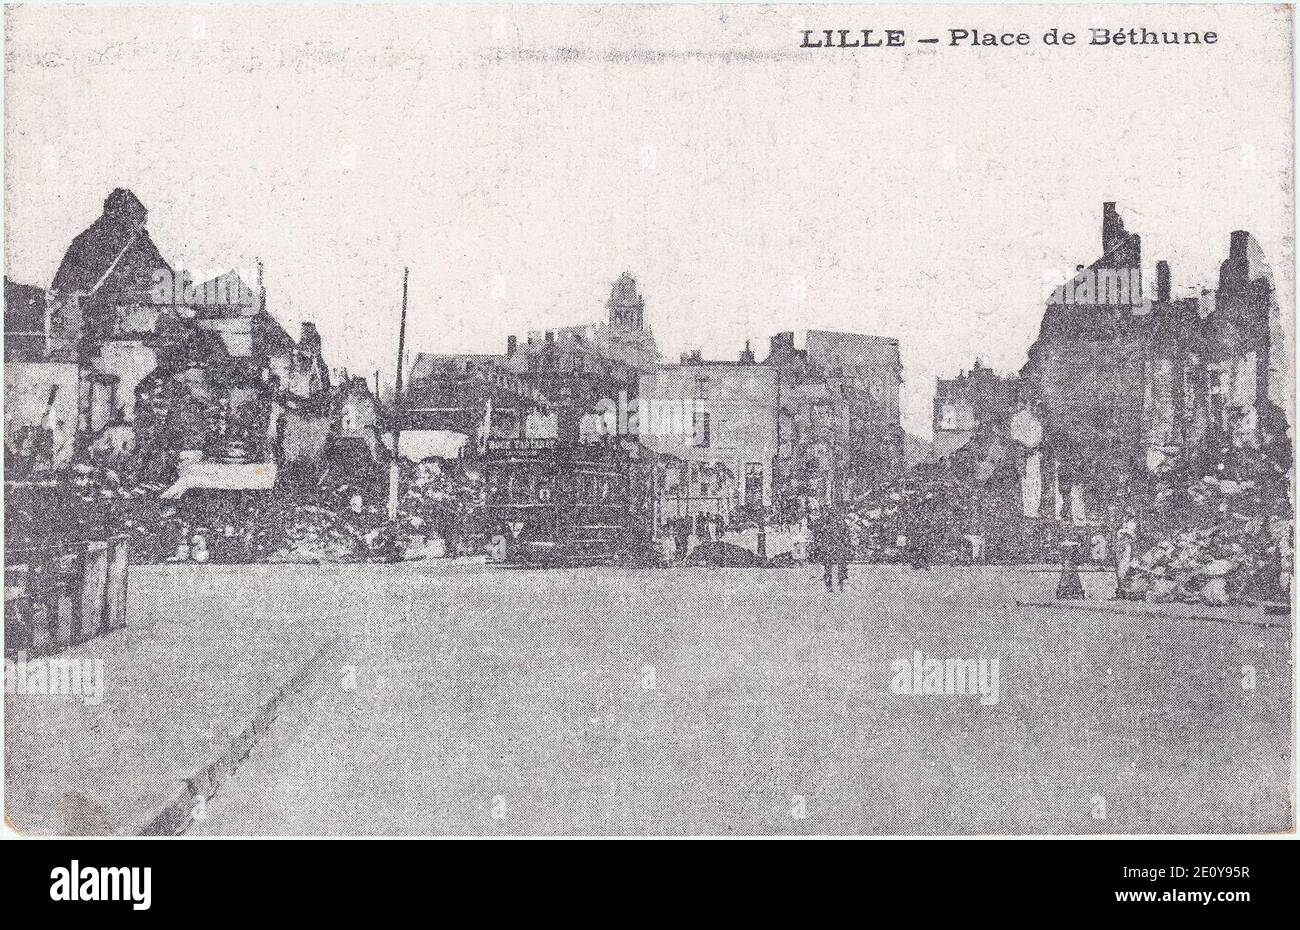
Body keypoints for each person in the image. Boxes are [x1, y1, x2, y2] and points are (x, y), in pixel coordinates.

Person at [814, 505, 850, 592]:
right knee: (835, 564)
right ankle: (837, 583)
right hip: (834, 545)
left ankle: (832, 583)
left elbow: (818, 535)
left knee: (830, 565)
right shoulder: (839, 522)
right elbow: (846, 535)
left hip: (831, 545)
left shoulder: (825, 523)